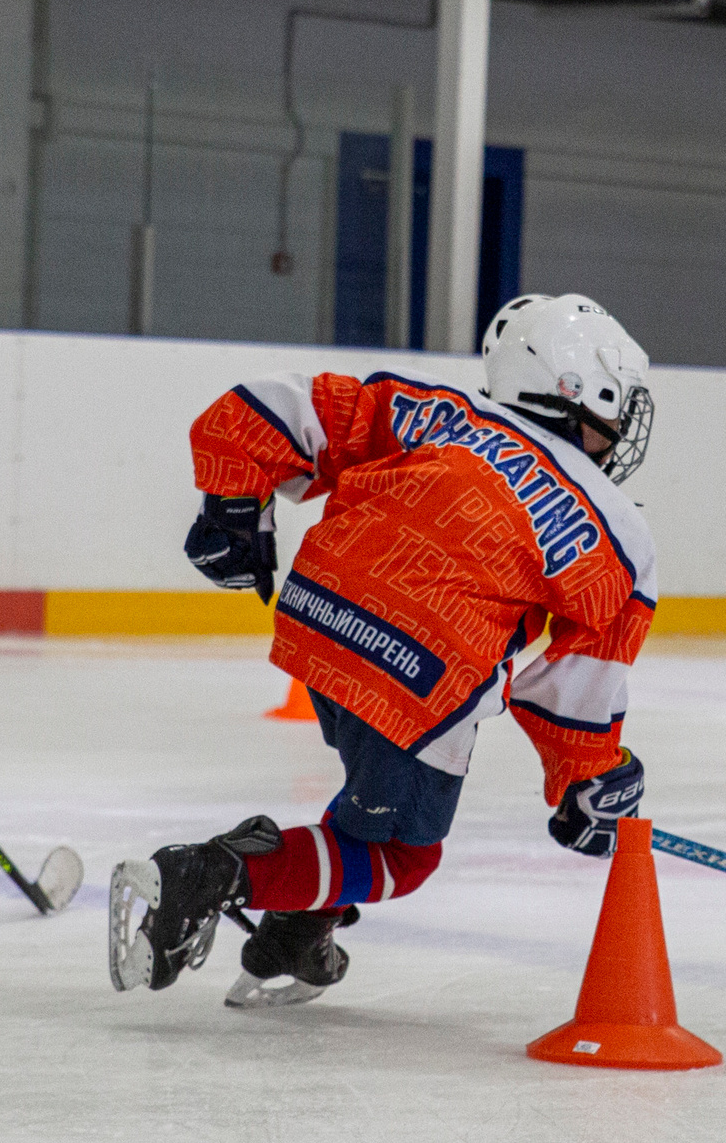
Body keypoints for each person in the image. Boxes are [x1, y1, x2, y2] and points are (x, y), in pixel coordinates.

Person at [108, 294, 659, 1007]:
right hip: (424, 665)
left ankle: (298, 929)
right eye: (617, 410)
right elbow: (580, 682)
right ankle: (209, 875)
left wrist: (234, 505)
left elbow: (269, 408)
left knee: (372, 796)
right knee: (401, 852)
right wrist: (590, 779)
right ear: (580, 390)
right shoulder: (616, 527)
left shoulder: (437, 409)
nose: (620, 433)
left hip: (318, 616)